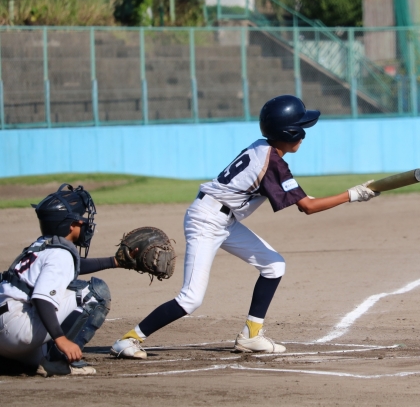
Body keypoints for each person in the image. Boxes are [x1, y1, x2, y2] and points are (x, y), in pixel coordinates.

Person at [110, 95, 380, 359]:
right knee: (191, 299)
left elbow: (295, 198)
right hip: (207, 221)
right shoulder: (273, 163)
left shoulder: (263, 147)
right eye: (300, 128)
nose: (304, 134)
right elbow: (307, 206)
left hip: (223, 219)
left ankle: (251, 335)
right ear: (289, 132)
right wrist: (353, 195)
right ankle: (129, 340)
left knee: (274, 265)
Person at [0, 184, 121, 377]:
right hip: (17, 331)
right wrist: (60, 339)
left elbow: (73, 266)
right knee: (94, 293)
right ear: (71, 225)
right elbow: (41, 299)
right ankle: (58, 361)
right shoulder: (60, 254)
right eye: (82, 218)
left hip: (6, 328)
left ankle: (18, 359)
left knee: (65, 289)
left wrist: (114, 262)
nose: (85, 223)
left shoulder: (41, 245)